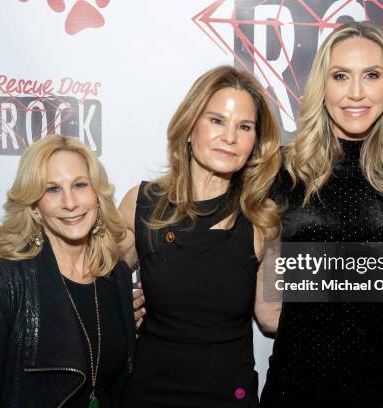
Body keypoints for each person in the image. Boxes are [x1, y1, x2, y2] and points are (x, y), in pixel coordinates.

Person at [260, 22, 383, 408]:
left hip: (380, 391)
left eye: (372, 76)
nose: (357, 92)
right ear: (322, 87)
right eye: (341, 76)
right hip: (291, 389)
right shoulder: (282, 172)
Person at [118, 65, 282, 407]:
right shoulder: (142, 204)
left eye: (245, 126)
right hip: (149, 395)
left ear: (255, 141)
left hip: (228, 397)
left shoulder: (262, 220)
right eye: (217, 120)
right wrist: (5, 270)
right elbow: (84, 272)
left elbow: (273, 317)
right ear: (190, 127)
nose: (230, 137)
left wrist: (370, 326)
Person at [0, 135, 136, 407]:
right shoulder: (5, 281)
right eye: (52, 189)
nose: (70, 202)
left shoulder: (116, 275)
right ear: (35, 206)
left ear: (97, 195)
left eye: (80, 185)